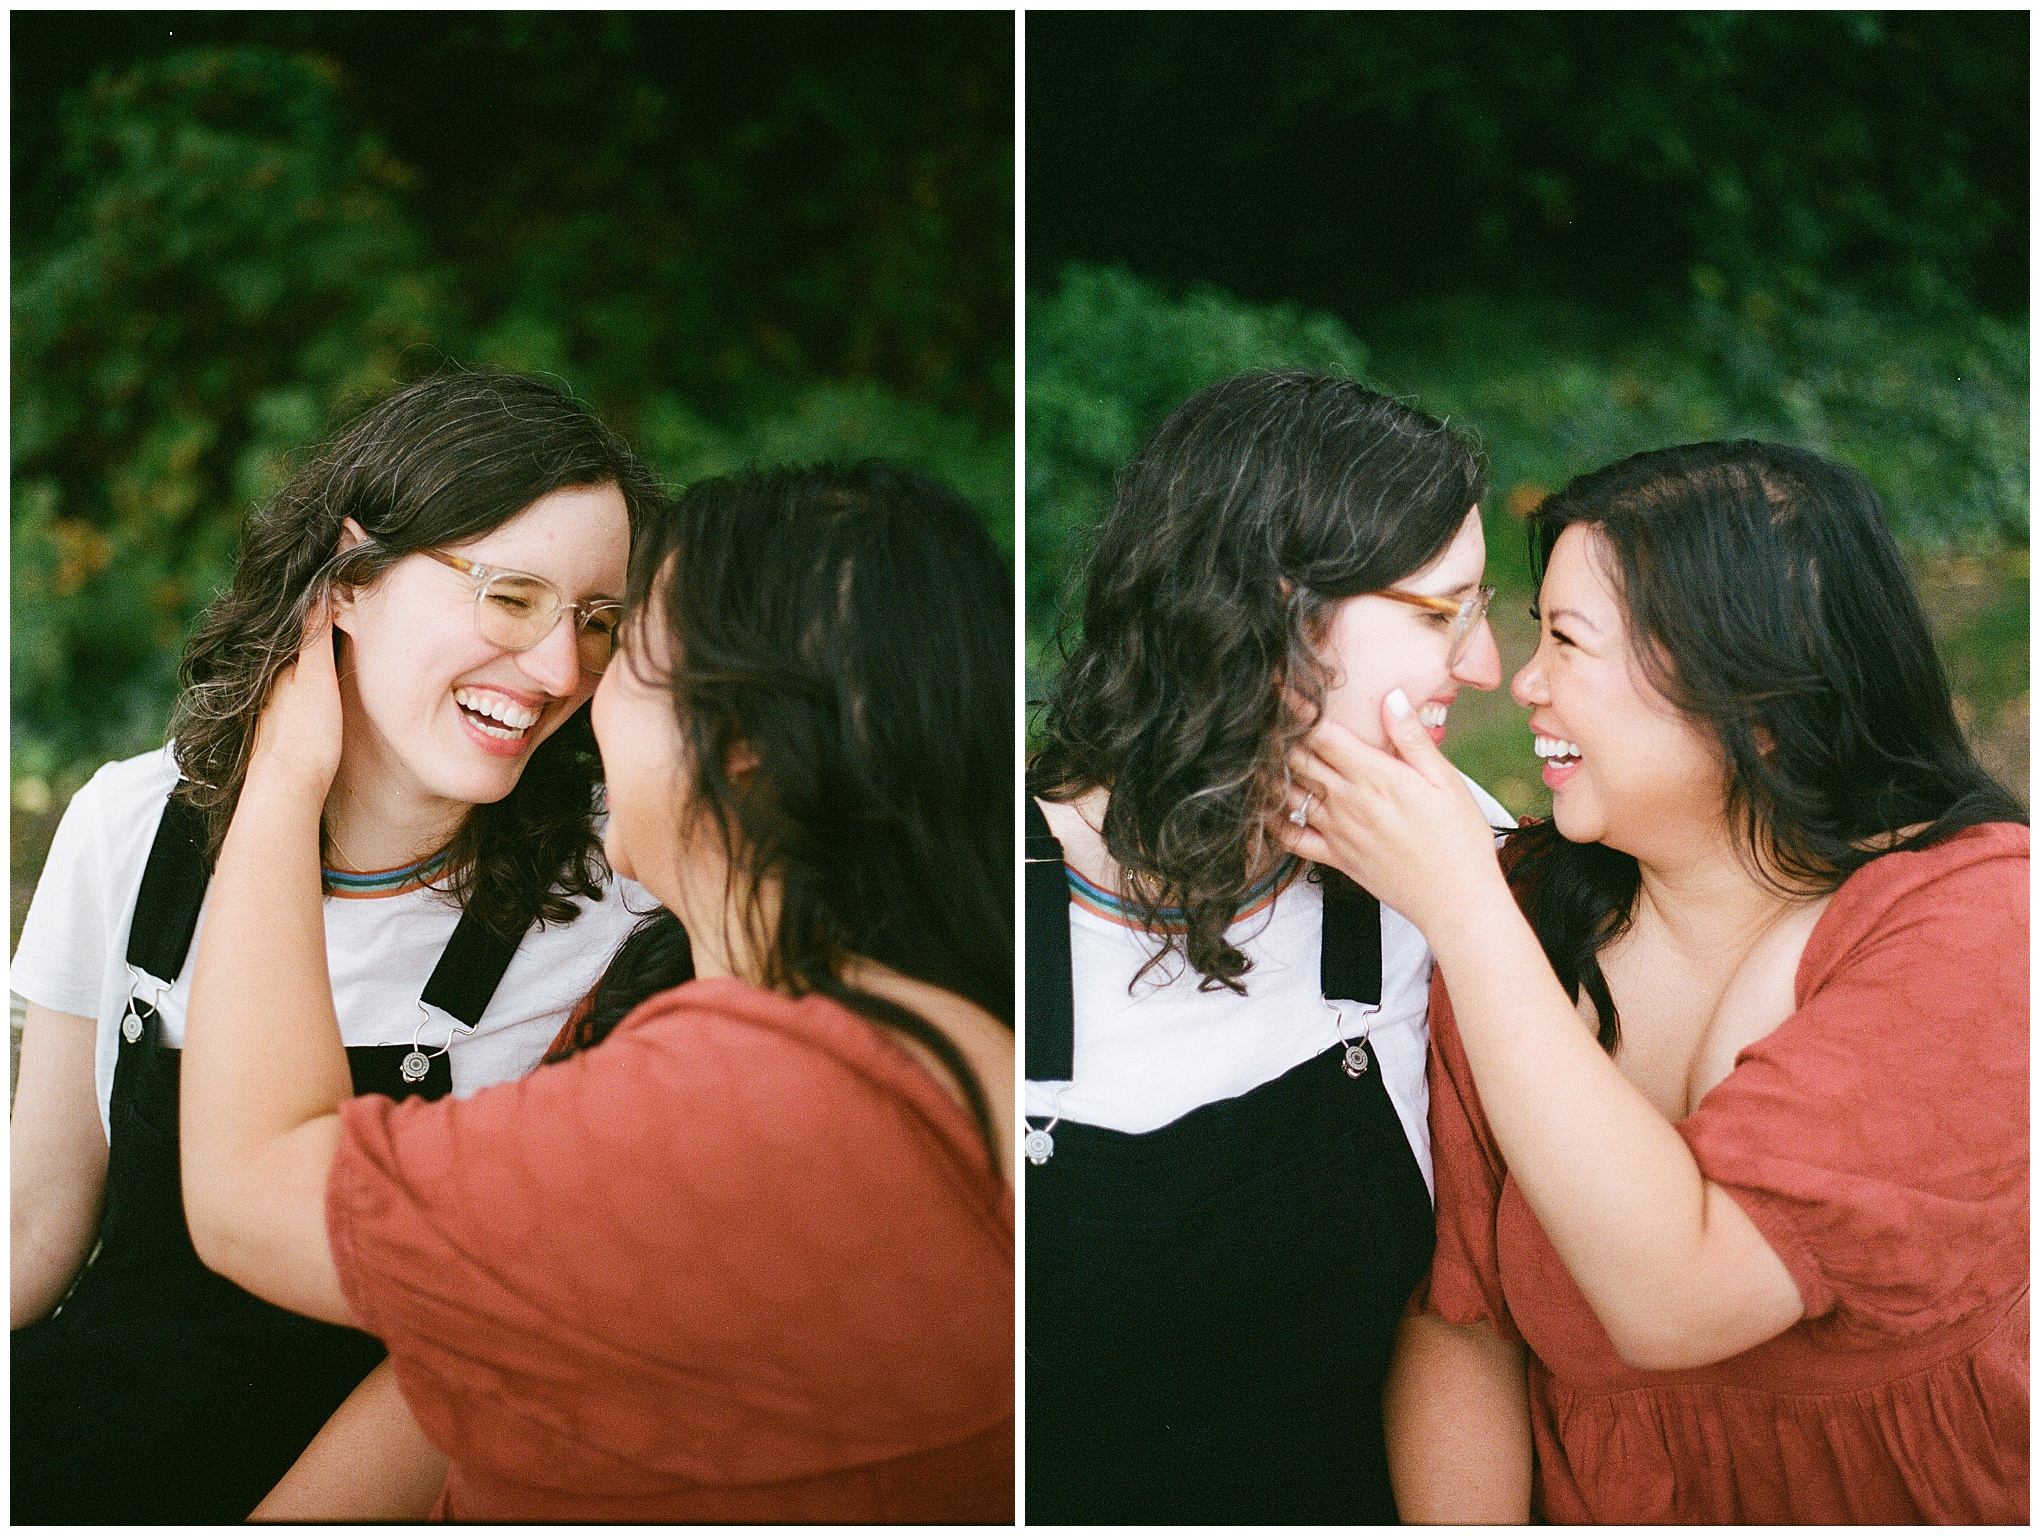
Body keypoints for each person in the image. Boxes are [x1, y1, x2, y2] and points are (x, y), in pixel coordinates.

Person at [175, 460, 1016, 1521]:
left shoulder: (745, 1107)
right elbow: (497, 1336)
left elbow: (252, 1190)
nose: (572, 684)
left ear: (744, 747)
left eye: (622, 646)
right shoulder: (941, 1035)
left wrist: (284, 780)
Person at [1281, 441, 2028, 1523]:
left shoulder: (1977, 920)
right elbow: (1464, 1321)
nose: (1521, 681)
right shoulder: (1526, 912)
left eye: (1568, 642)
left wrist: (1461, 903)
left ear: (1751, 689)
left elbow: (1680, 1298)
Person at [10, 371, 661, 1522]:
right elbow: (38, 1217)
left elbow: (486, 1352)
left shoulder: (619, 905)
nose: (562, 670)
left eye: (596, 621)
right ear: (348, 581)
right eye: (511, 598)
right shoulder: (133, 824)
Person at [1025, 370, 1514, 1522]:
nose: (1485, 667)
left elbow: (1480, 1314)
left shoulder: (1460, 873)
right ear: (1273, 613)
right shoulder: (963, 909)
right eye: (1441, 613)